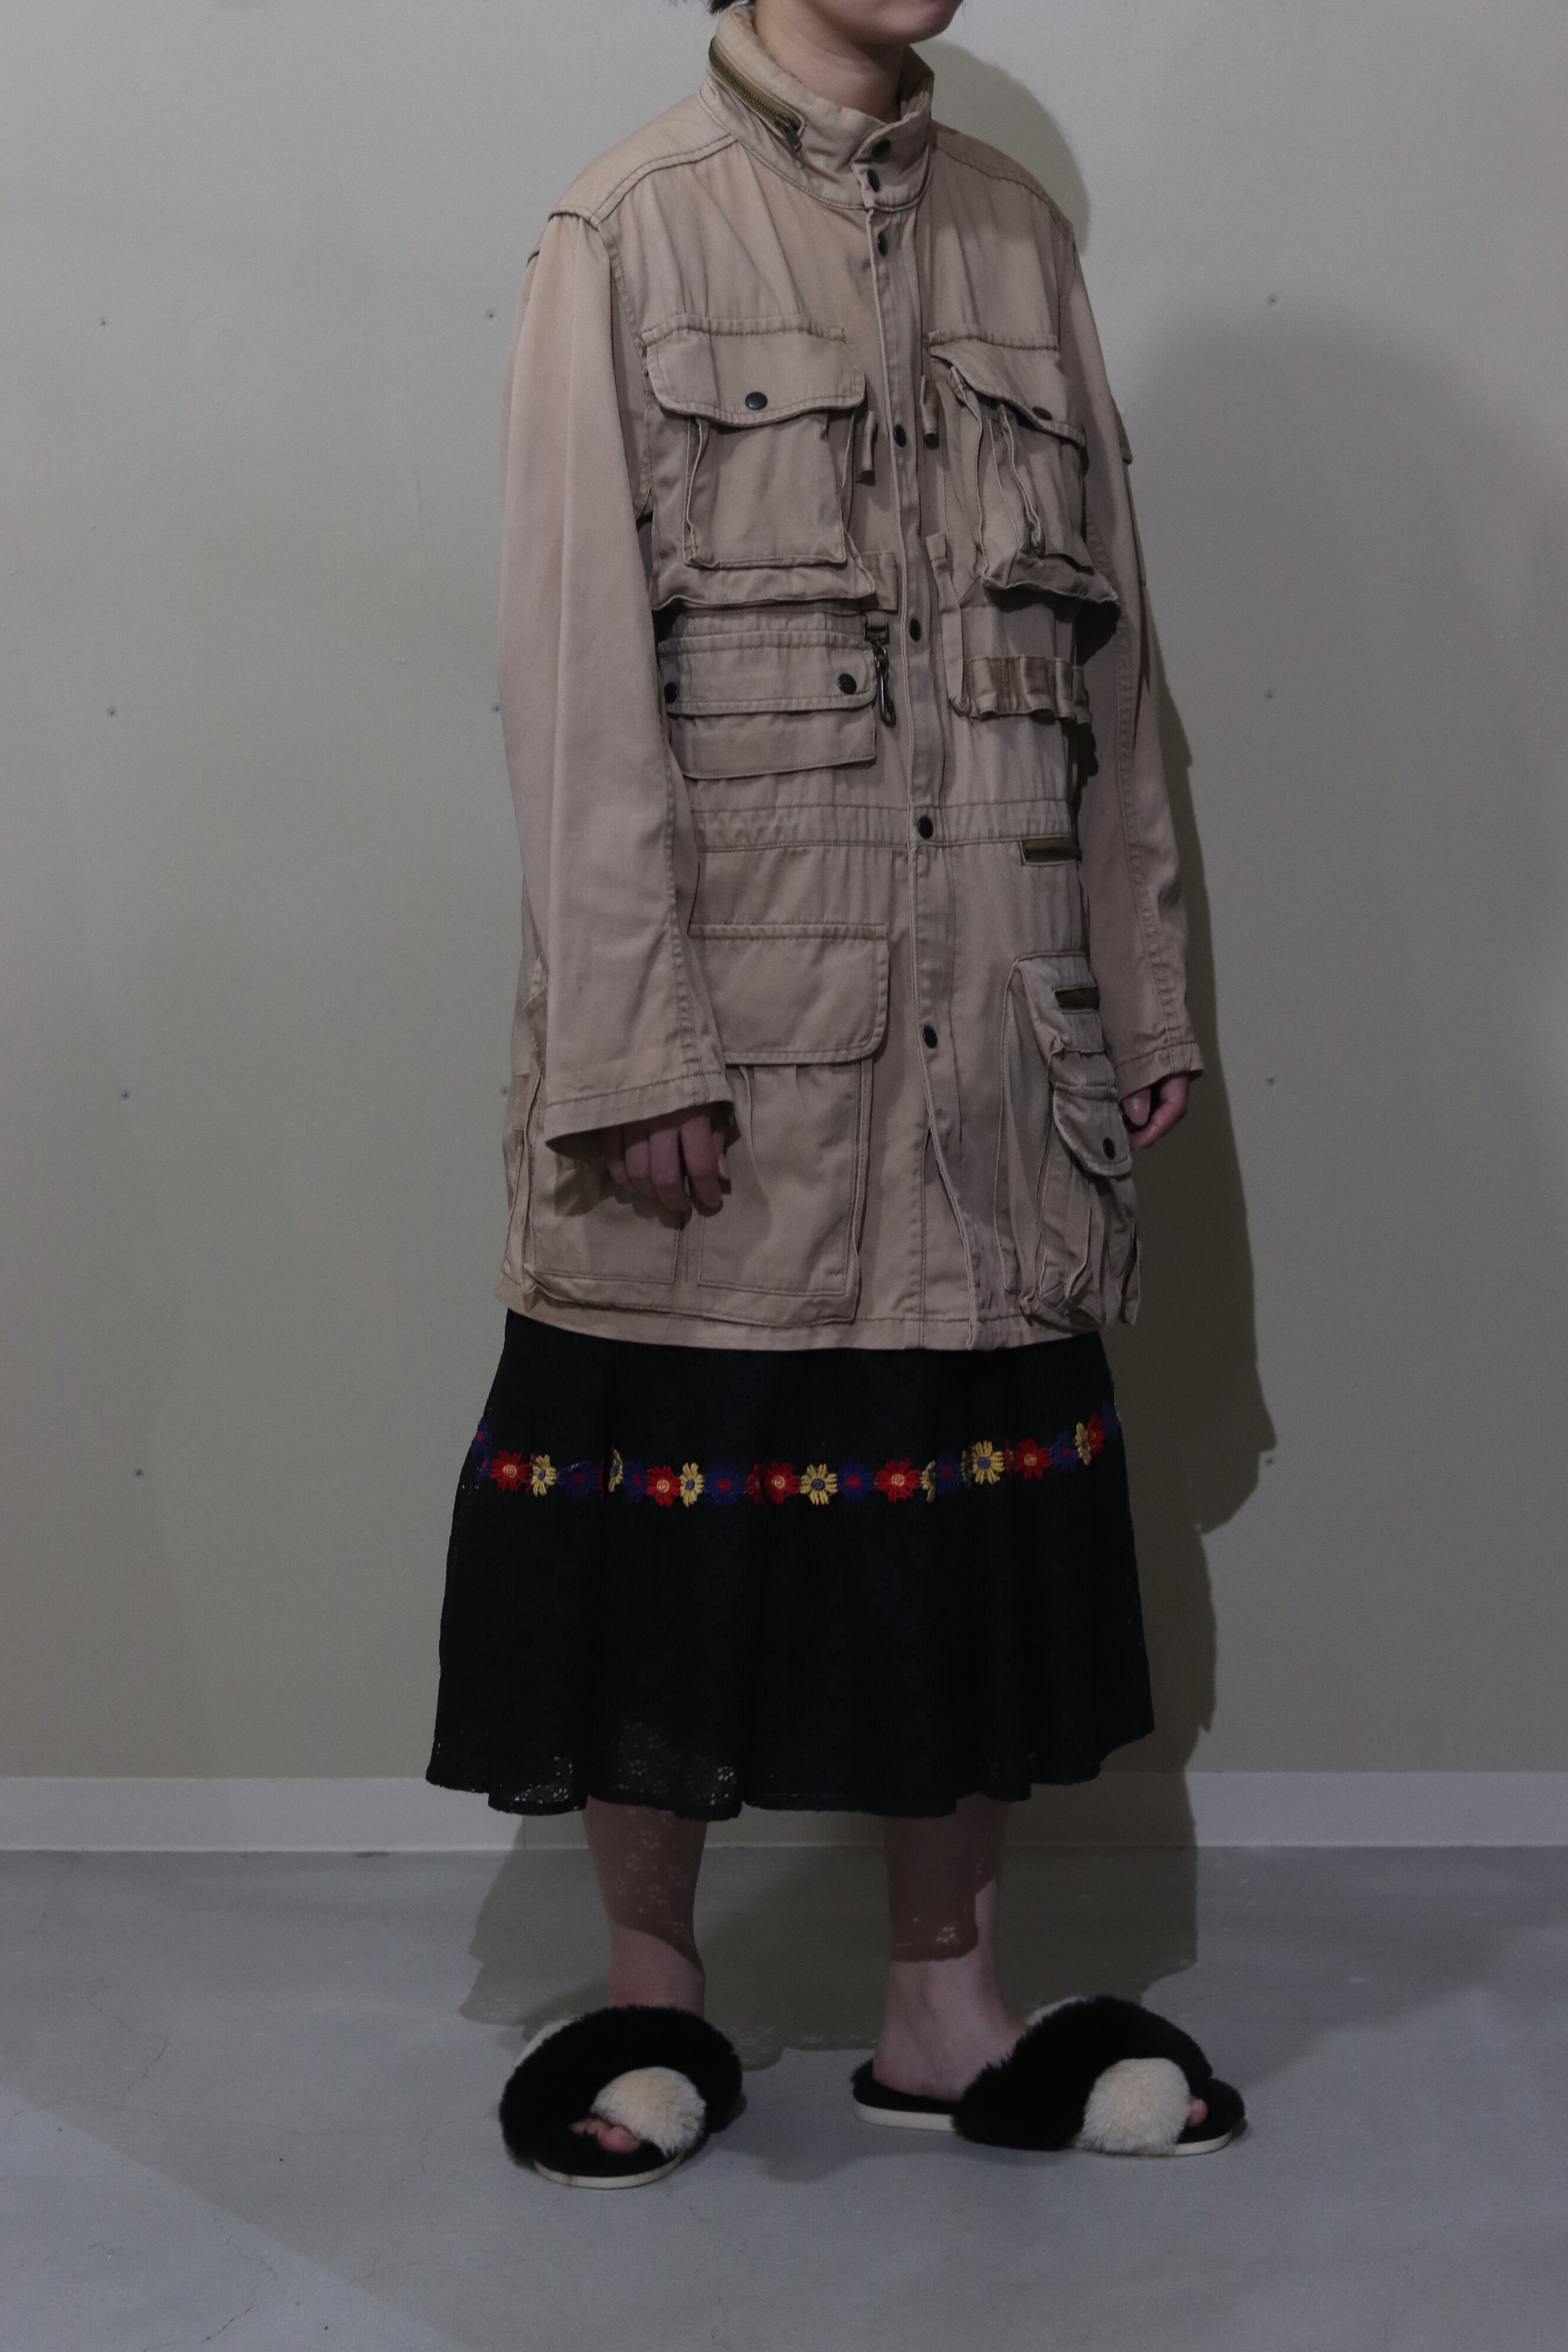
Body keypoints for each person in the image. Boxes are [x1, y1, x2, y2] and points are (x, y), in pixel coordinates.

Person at [427, 0, 1243, 2188]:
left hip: (997, 1026)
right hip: (740, 1034)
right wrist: (628, 1044)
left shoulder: (1016, 235)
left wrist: (1136, 987)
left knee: (953, 1512)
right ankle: (653, 1995)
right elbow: (572, 669)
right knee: (663, 1509)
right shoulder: (630, 227)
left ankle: (946, 2011)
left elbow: (1109, 670)